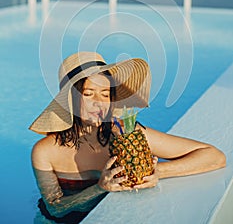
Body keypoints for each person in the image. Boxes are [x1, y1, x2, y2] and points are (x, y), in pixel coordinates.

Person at [29, 52, 226, 223]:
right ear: (69, 100)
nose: (99, 103)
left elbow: (214, 156)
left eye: (105, 95)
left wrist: (157, 172)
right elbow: (56, 207)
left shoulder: (127, 136)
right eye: (89, 94)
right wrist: (100, 188)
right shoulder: (45, 151)